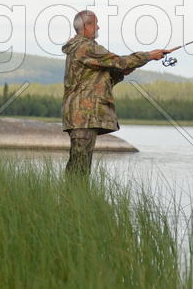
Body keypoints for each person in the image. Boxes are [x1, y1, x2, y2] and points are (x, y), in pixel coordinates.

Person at [61, 10, 174, 177]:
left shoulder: (79, 48)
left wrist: (121, 71)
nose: (98, 27)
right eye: (96, 23)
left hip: (82, 116)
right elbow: (119, 61)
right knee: (79, 167)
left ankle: (74, 193)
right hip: (83, 115)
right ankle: (73, 194)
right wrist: (149, 55)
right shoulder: (86, 46)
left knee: (79, 165)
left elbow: (100, 78)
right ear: (86, 26)